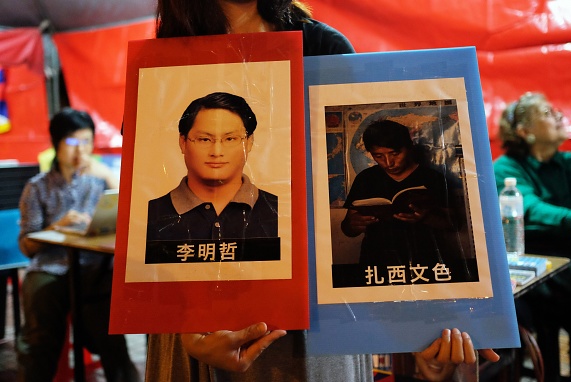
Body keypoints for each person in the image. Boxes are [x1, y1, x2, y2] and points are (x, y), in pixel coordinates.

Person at [145, 1, 499, 381]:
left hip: (306, 324)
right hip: (191, 316)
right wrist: (188, 326)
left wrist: (423, 330)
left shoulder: (322, 47)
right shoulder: (167, 54)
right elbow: (149, 189)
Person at [17, 108, 139, 381]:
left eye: (86, 142)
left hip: (94, 269)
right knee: (40, 335)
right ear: (56, 144)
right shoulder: (37, 187)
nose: (80, 151)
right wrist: (56, 227)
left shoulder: (100, 180)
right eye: (72, 143)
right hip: (51, 268)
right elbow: (26, 245)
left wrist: (108, 176)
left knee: (112, 337)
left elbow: (134, 212)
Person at [493, 91, 571, 381]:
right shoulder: (506, 168)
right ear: (526, 132)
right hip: (533, 261)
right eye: (548, 113)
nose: (560, 116)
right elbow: (529, 207)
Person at [145, 92, 279, 264]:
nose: (216, 152)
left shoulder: (278, 212)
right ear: (183, 142)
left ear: (249, 142)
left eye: (230, 138)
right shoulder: (150, 215)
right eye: (204, 139)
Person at [340, 120, 477, 284]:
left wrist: (425, 217)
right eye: (379, 156)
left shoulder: (432, 178)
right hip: (377, 259)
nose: (389, 163)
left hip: (425, 258)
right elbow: (348, 228)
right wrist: (353, 224)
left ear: (408, 147)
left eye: (395, 154)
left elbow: (454, 224)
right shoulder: (365, 179)